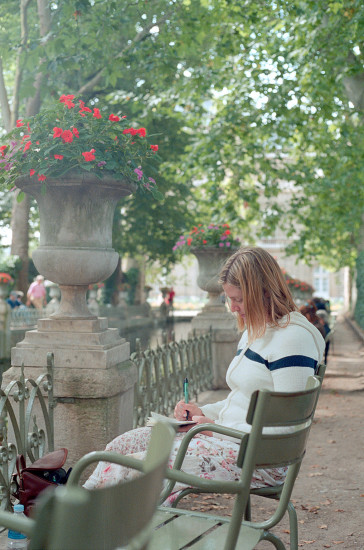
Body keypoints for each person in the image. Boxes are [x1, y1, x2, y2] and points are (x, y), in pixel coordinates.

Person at [84, 246, 325, 503]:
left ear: (265, 292)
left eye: (239, 299)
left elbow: (285, 431)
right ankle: (70, 524)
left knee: (129, 466)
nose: (233, 308)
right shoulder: (258, 330)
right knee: (120, 447)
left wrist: (212, 429)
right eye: (228, 299)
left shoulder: (292, 340)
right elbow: (241, 400)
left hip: (258, 459)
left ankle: (79, 529)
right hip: (232, 442)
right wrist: (203, 413)